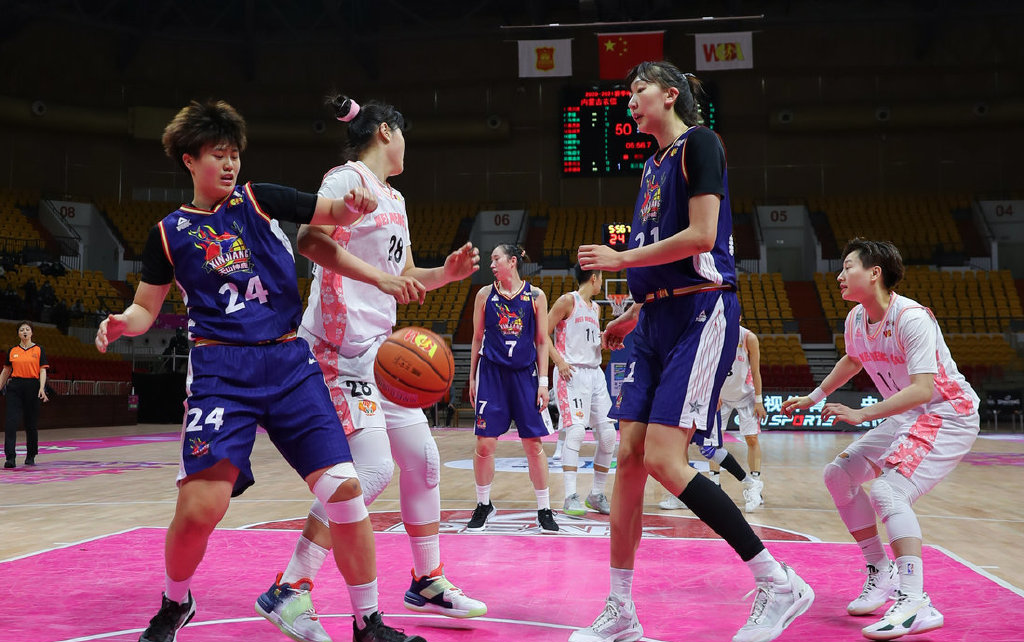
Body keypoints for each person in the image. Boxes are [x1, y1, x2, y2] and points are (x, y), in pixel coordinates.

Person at [94, 100, 424, 642]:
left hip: (289, 360)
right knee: (201, 508)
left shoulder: (259, 198)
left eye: (234, 155)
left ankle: (369, 623)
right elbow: (144, 309)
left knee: (345, 491)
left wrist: (353, 206)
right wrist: (122, 324)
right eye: (217, 155)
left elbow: (331, 213)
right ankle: (175, 603)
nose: (229, 165)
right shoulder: (169, 233)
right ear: (189, 160)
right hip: (222, 369)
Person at [572, 61, 813, 642]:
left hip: (702, 312)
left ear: (669, 94)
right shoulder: (651, 165)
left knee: (663, 458)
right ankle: (621, 609)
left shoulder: (700, 144)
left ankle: (777, 580)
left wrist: (622, 261)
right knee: (629, 458)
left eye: (638, 90)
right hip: (655, 318)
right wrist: (634, 310)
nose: (630, 101)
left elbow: (702, 236)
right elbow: (662, 252)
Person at [255, 94, 485, 642]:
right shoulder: (345, 179)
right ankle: (290, 586)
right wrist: (380, 279)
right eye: (403, 134)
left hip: (380, 355)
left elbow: (404, 274)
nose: (406, 144)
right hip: (336, 351)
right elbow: (310, 240)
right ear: (385, 131)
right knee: (373, 471)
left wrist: (445, 275)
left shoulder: (396, 198)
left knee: (422, 460)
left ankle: (427, 580)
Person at [783, 239, 979, 640]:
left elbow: (923, 389)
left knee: (889, 491)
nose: (839, 275)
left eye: (848, 267)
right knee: (838, 475)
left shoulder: (912, 318)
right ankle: (882, 572)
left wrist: (862, 413)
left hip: (946, 414)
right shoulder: (856, 318)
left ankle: (915, 601)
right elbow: (853, 360)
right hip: (906, 415)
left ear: (874, 273)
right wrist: (813, 397)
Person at [467, 244, 558, 533]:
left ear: (512, 261)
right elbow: (477, 337)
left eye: (496, 259)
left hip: (525, 375)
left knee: (533, 445)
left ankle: (544, 509)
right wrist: (472, 378)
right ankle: (483, 504)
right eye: (491, 260)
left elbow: (542, 341)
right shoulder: (484, 295)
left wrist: (543, 383)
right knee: (485, 444)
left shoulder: (536, 296)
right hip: (491, 374)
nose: (491, 264)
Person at [662, 320, 767, 511]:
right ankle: (714, 485)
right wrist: (711, 393)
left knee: (749, 439)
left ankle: (754, 484)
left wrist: (759, 400)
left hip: (745, 396)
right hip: (717, 397)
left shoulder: (747, 337)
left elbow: (756, 371)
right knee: (708, 444)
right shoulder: (712, 335)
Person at [547, 263, 616, 516]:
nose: (602, 283)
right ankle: (570, 496)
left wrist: (606, 340)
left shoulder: (596, 308)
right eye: (601, 278)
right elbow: (541, 334)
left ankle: (596, 494)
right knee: (576, 432)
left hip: (595, 373)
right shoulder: (568, 301)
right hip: (571, 372)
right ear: (594, 278)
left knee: (608, 435)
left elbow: (588, 339)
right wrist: (559, 361)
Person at [1, 321, 49, 468]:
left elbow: (42, 370)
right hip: (15, 387)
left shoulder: (39, 349)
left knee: (31, 423)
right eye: (22, 330)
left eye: (27, 329)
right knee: (11, 423)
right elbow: (6, 371)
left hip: (33, 387)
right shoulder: (12, 350)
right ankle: (10, 458)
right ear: (18, 333)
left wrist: (42, 388)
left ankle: (31, 455)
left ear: (32, 332)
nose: (25, 332)